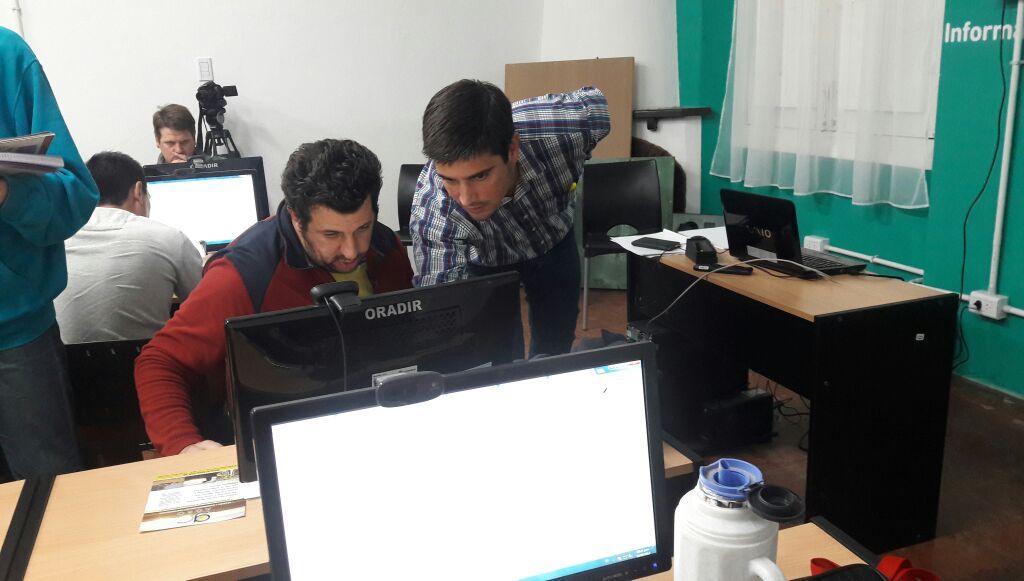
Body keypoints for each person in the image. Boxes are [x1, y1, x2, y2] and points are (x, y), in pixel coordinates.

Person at [135, 138, 414, 455]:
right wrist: (182, 444)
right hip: (282, 444)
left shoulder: (386, 246)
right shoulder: (243, 276)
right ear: (297, 218)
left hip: (377, 427)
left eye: (362, 228)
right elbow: (159, 362)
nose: (352, 250)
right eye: (331, 235)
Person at [410, 80, 609, 357]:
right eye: (450, 180)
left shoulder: (566, 130)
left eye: (480, 176)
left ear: (513, 148)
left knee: (557, 339)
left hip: (554, 240)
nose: (465, 198)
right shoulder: (434, 211)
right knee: (499, 351)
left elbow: (596, 102)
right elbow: (442, 309)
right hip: (487, 261)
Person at [0, 27, 99, 479]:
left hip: (15, 341)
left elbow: (75, 195)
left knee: (51, 502)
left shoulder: (8, 57)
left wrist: (7, 193)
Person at [55, 151, 202, 343]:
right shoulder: (169, 237)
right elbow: (204, 304)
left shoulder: (58, 239)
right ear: (138, 191)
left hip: (65, 361)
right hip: (146, 360)